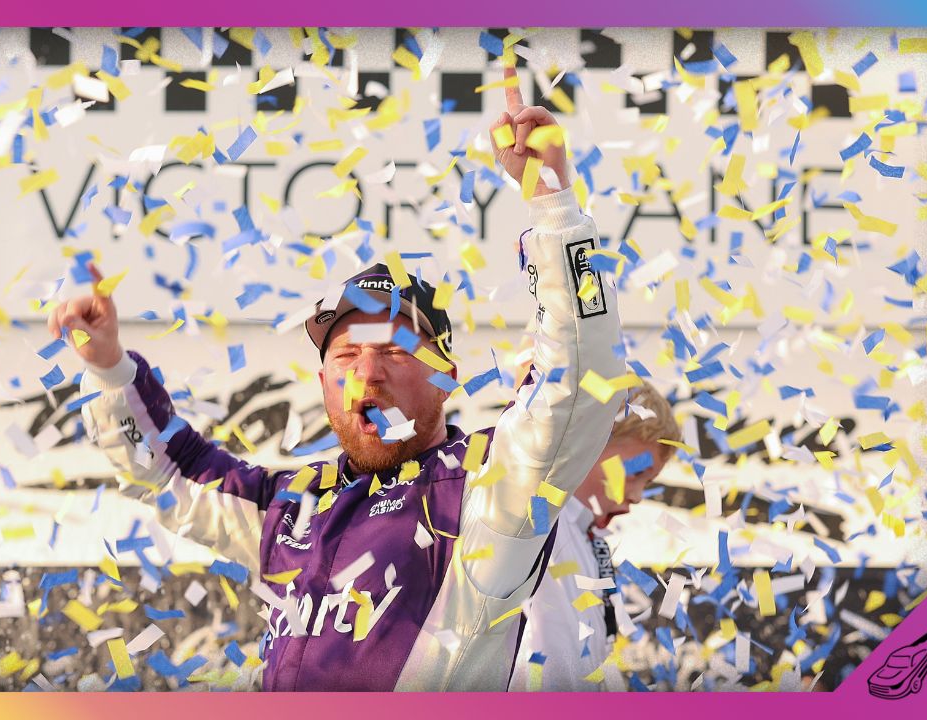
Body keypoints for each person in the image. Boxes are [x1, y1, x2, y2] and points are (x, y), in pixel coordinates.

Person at [48, 65, 625, 691]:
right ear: (323, 380)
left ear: (447, 377)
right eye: (346, 356)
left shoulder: (492, 488)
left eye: (398, 352)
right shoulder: (287, 507)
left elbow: (577, 375)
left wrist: (552, 205)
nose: (368, 374)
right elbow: (164, 470)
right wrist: (107, 366)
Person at [509, 381, 681, 691]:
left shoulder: (590, 542)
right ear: (591, 440)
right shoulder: (534, 522)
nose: (639, 495)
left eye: (649, 480)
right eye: (636, 472)